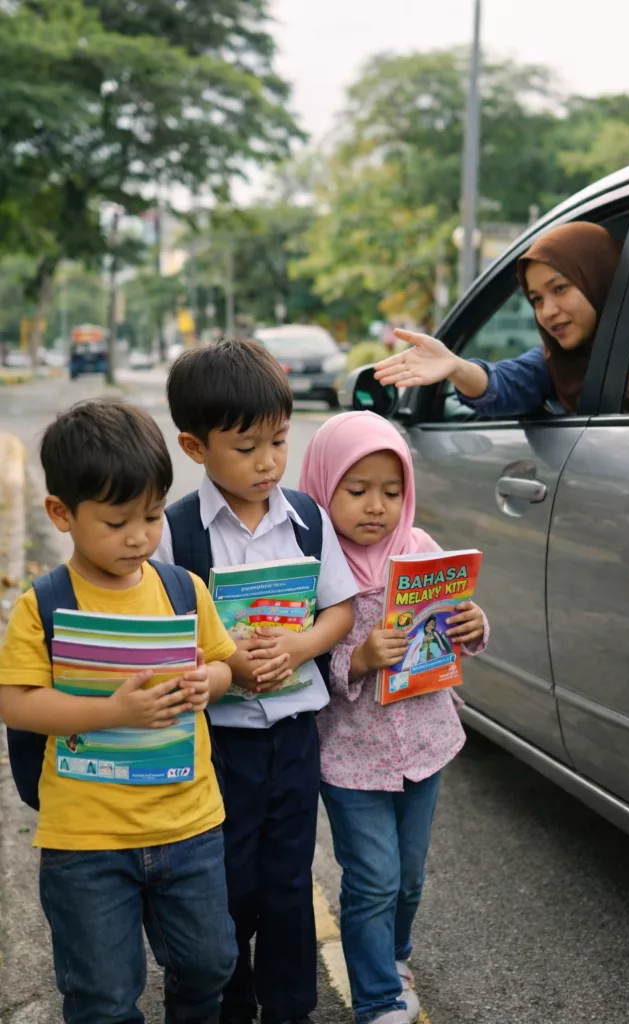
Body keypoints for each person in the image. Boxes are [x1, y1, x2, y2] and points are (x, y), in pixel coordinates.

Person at [0, 400, 238, 1024]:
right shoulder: (44, 605)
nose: (139, 536)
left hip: (188, 826)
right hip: (87, 840)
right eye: (116, 522)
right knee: (103, 996)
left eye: (153, 516)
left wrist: (205, 684)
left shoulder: (182, 589)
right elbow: (16, 703)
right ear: (61, 514)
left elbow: (225, 664)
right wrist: (113, 710)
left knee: (211, 963)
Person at [154, 339, 358, 1024]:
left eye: (279, 439)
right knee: (227, 882)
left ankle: (292, 1006)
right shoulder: (176, 535)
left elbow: (340, 608)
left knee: (287, 881)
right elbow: (159, 640)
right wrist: (224, 659)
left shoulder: (304, 518)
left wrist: (299, 642)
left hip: (294, 738)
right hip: (219, 744)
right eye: (246, 447)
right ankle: (229, 1004)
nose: (268, 461)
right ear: (194, 446)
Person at [299, 410, 489, 1024]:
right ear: (324, 485)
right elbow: (306, 663)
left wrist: (473, 625)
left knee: (408, 876)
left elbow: (453, 622)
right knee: (373, 878)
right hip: (352, 754)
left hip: (425, 741)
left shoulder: (420, 548)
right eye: (357, 491)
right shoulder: (316, 565)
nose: (376, 506)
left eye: (392, 490)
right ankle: (377, 997)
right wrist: (358, 660)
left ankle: (396, 954)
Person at [374, 221, 629, 416]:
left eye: (560, 288)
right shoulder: (555, 366)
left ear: (600, 279)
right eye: (536, 299)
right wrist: (456, 367)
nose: (547, 311)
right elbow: (503, 383)